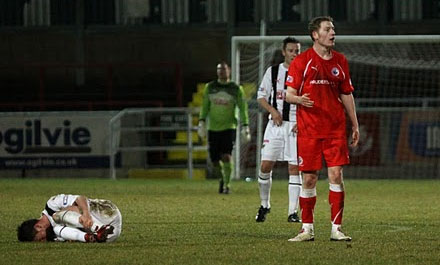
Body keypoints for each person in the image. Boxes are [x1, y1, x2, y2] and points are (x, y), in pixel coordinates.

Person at [285, 16, 360, 242]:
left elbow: (346, 93)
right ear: (315, 35)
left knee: (336, 175)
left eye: (333, 29)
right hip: (308, 130)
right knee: (308, 179)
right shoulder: (302, 61)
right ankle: (307, 229)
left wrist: (354, 123)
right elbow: (288, 95)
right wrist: (299, 99)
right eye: (328, 29)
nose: (333, 33)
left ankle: (336, 229)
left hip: (335, 128)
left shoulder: (340, 61)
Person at [255, 37, 302, 223]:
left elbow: (309, 100)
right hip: (275, 127)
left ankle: (293, 212)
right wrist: (273, 111)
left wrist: (302, 120)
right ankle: (265, 205)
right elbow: (261, 96)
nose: (294, 54)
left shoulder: (304, 73)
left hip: (295, 126)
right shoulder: (273, 72)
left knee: (294, 168)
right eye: (291, 50)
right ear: (284, 52)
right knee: (265, 166)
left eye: (297, 50)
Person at [198, 61, 250, 194]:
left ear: (229, 71)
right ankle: (222, 179)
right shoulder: (210, 87)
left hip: (229, 127)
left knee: (227, 156)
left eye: (224, 69)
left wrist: (245, 125)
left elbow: (242, 108)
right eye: (219, 69)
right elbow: (205, 105)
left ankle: (227, 185)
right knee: (214, 160)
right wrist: (202, 121)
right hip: (213, 128)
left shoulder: (236, 88)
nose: (221, 71)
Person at [17, 194, 122, 243]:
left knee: (57, 216)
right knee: (58, 230)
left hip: (105, 211)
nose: (43, 242)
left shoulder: (51, 205)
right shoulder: (53, 236)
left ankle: (99, 228)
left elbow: (80, 198)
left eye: (40, 239)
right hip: (111, 235)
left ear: (38, 227)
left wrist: (86, 214)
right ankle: (94, 236)